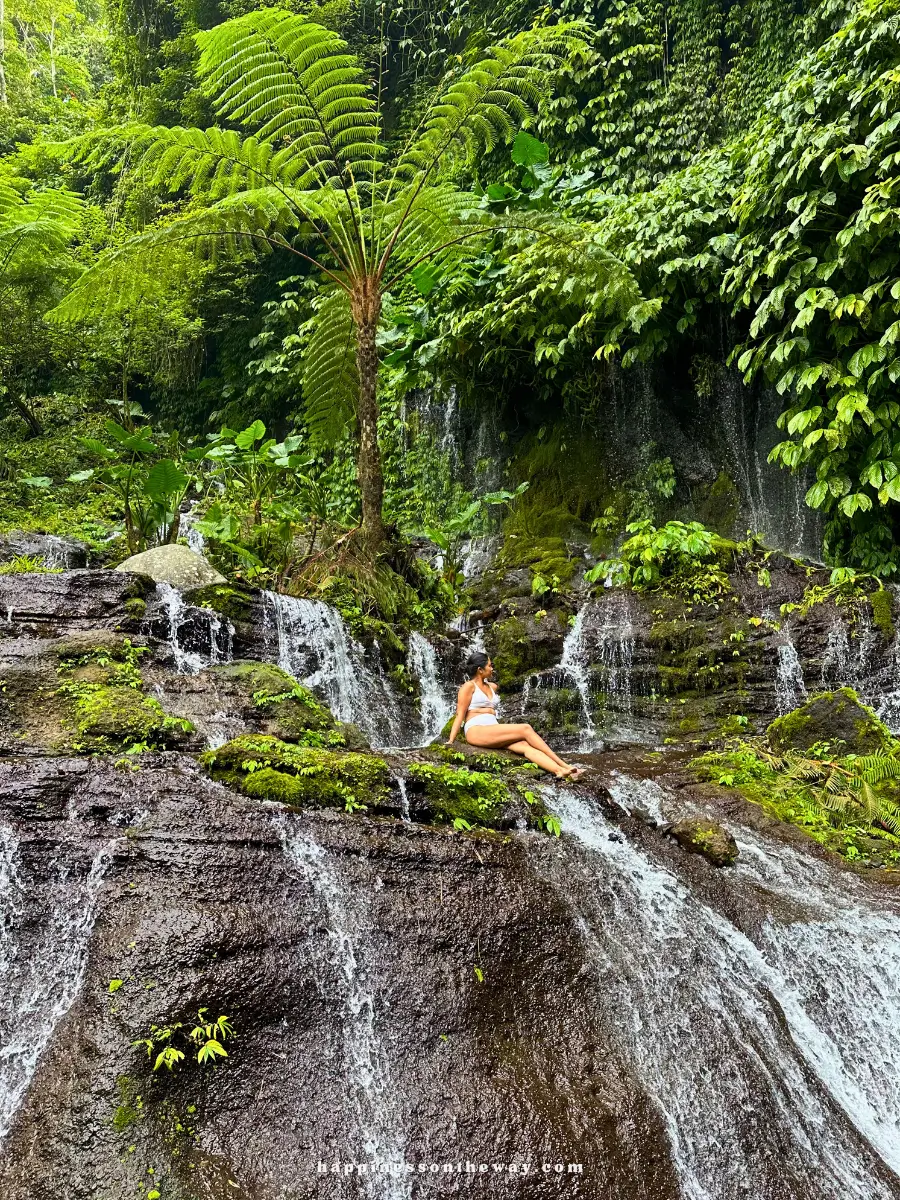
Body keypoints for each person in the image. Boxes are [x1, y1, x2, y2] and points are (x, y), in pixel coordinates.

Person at [447, 651, 584, 780]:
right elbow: (460, 714)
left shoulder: (492, 687)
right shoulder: (468, 687)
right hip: (476, 730)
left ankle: (559, 770)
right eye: (489, 665)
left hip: (493, 728)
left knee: (525, 745)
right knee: (525, 728)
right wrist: (451, 741)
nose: (492, 668)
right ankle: (564, 764)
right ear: (480, 670)